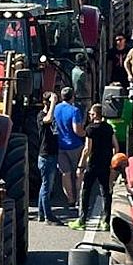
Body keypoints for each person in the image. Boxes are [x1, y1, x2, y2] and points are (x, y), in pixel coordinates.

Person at [73, 103, 119, 230]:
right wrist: (113, 162)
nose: (89, 115)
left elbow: (87, 148)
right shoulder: (108, 128)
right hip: (106, 163)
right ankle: (106, 221)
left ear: (94, 115)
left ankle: (82, 220)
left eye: (90, 114)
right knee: (105, 191)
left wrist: (81, 165)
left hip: (93, 164)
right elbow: (115, 145)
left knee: (85, 191)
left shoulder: (90, 129)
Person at [52, 86, 85, 215]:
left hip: (60, 146)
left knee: (65, 173)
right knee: (79, 172)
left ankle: (70, 199)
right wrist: (85, 133)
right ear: (73, 97)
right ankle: (78, 199)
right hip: (74, 145)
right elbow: (77, 130)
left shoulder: (56, 109)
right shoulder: (74, 110)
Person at [37, 92, 62, 224]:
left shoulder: (51, 115)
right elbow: (48, 119)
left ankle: (42, 214)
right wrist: (52, 103)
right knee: (47, 187)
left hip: (52, 153)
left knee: (45, 186)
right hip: (46, 155)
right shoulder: (41, 115)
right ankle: (48, 216)